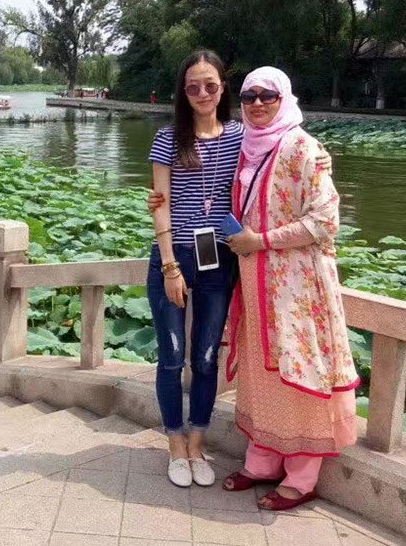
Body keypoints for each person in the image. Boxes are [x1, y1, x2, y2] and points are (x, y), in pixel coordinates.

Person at [220, 67, 359, 511]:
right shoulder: (242, 148)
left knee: (299, 372)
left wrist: (261, 241)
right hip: (254, 283)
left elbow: (326, 220)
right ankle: (261, 463)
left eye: (267, 95)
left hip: (297, 288)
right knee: (262, 373)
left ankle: (301, 477)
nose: (257, 103)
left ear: (284, 98)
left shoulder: (304, 148)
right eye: (248, 96)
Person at [146, 50, 243, 488]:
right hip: (176, 256)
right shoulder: (168, 139)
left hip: (218, 258)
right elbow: (160, 205)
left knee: (205, 357)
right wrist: (169, 267)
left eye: (210, 85)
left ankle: (198, 443)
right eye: (192, 87)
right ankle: (175, 444)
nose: (202, 93)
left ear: (223, 87)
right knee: (171, 358)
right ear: (182, 94)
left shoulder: (243, 137)